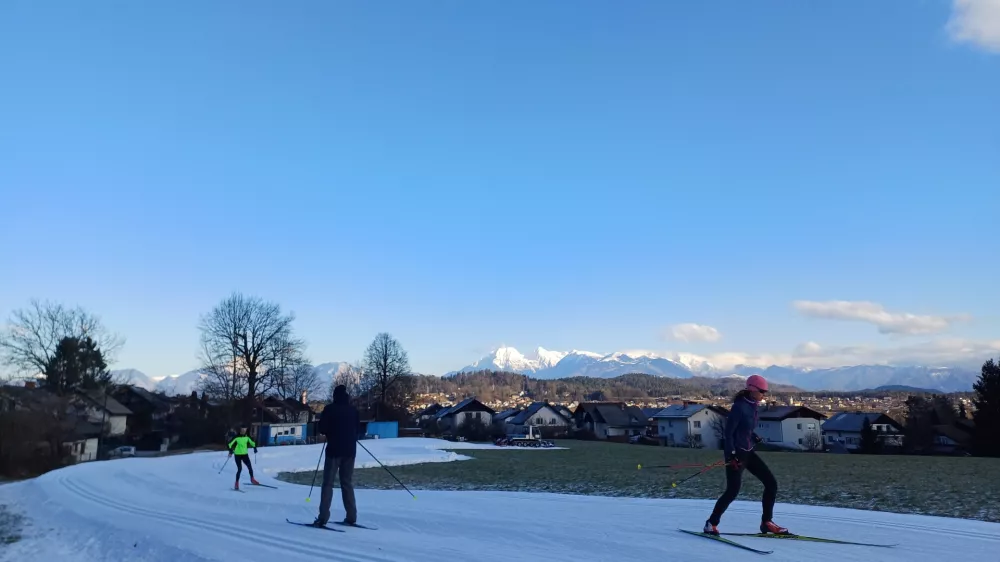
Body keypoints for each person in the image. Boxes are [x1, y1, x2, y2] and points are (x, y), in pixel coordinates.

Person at [704, 374, 788, 536]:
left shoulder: (753, 405)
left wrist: (753, 435)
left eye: (765, 391)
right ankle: (711, 523)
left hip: (749, 452)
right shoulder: (739, 407)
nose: (764, 394)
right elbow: (729, 433)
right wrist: (731, 456)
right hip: (737, 454)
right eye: (762, 391)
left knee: (771, 483)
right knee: (732, 491)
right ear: (752, 389)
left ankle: (766, 522)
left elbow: (744, 429)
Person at [313, 384, 360, 527]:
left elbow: (322, 428)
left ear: (334, 396)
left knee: (328, 484)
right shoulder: (353, 410)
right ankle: (351, 516)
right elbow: (357, 428)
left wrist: (330, 432)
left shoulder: (329, 409)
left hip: (333, 450)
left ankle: (323, 517)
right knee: (347, 483)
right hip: (350, 451)